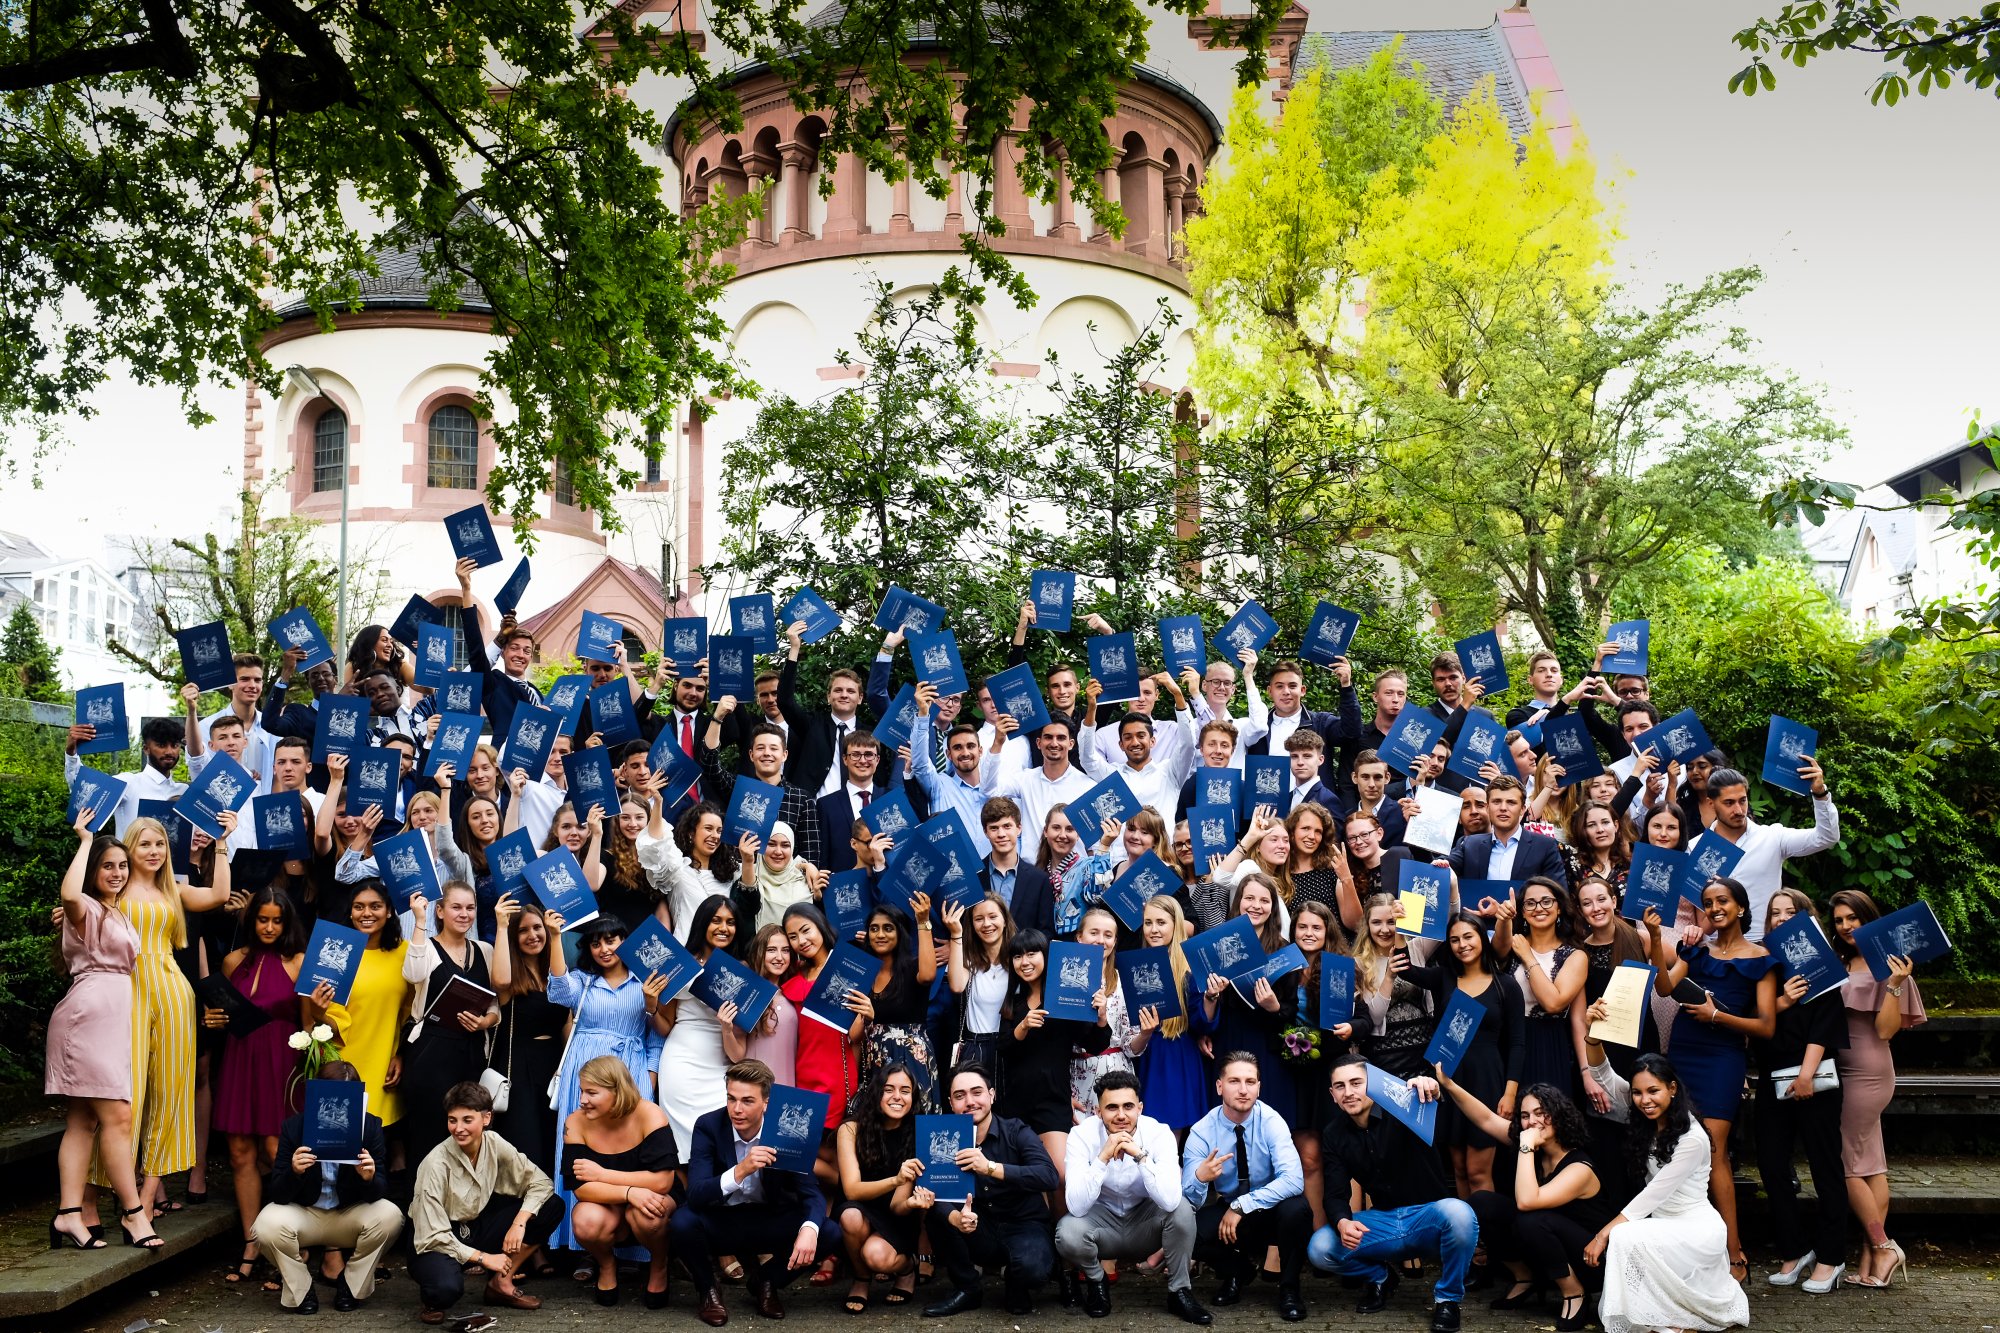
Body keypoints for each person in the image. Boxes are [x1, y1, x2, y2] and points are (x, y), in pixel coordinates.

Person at [96, 815, 233, 1216]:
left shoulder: (175, 888)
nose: (154, 851)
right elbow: (81, 911)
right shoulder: (114, 889)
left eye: (159, 844)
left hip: (174, 991)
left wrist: (222, 843)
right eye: (145, 844)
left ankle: (148, 1192)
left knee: (171, 1091)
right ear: (129, 848)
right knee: (129, 1092)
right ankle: (124, 1187)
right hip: (128, 991)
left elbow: (220, 895)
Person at [1650, 874, 1777, 1278]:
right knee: (1677, 1144)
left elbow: (1766, 1026)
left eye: (1722, 900)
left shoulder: (1761, 958)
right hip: (1683, 1051)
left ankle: (1733, 1252)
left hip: (1723, 1057)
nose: (1715, 908)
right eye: (1708, 902)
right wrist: (1656, 938)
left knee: (1714, 1149)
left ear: (1741, 907)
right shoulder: (1697, 951)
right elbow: (1665, 987)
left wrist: (1716, 1015)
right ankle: (1686, 1247)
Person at [46, 813, 158, 1252]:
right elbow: (69, 894)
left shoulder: (114, 910)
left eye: (122, 866)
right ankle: (133, 1213)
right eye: (107, 865)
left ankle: (68, 1214)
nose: (117, 873)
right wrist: (84, 840)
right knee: (118, 1117)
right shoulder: (84, 907)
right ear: (92, 869)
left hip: (109, 1020)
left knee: (83, 1119)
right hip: (87, 1019)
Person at [1584, 1055, 1750, 1333]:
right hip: (1664, 1223)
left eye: (1653, 1091)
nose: (1644, 1100)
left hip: (1697, 1229)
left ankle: (1669, 1318)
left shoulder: (1693, 1138)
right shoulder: (1647, 1115)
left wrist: (1603, 1235)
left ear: (1672, 1088)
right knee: (1628, 1235)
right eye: (1637, 1093)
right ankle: (1656, 1315)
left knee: (1623, 1235)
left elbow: (1654, 1194)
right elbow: (1602, 1075)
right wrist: (1593, 1040)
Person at [1311, 1055, 1475, 1333]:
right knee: (1320, 1247)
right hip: (1384, 1223)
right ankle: (1381, 1278)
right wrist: (1343, 1221)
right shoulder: (1333, 1133)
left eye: (1356, 1083)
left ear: (1372, 1083)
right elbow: (1335, 1192)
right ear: (1332, 1094)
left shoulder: (1403, 1107)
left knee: (1460, 1213)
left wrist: (1432, 1089)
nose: (1348, 1092)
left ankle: (1448, 1300)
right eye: (1340, 1086)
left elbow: (1435, 1106)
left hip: (1428, 1220)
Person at [673, 1059, 837, 1326]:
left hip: (769, 1219)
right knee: (681, 1222)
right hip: (722, 1220)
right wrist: (740, 1171)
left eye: (747, 1101)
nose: (736, 1109)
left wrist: (809, 1229)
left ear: (766, 1103)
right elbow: (696, 1194)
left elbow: (811, 1192)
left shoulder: (787, 1129)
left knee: (828, 1231)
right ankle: (708, 1290)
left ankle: (766, 1281)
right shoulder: (708, 1126)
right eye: (731, 1099)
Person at [546, 912, 668, 1255]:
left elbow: (657, 1038)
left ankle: (632, 1248)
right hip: (583, 1074)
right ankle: (584, 1245)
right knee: (581, 1148)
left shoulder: (645, 982)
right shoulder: (583, 981)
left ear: (625, 942)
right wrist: (555, 937)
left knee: (631, 1149)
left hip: (631, 1073)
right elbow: (558, 990)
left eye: (611, 940)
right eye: (596, 943)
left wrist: (648, 1079)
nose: (604, 948)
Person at [203, 886, 308, 1284]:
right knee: (239, 1153)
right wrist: (212, 1020)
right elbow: (222, 1015)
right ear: (252, 920)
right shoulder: (233, 960)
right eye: (262, 919)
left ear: (287, 923)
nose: (269, 927)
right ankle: (251, 1242)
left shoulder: (299, 962)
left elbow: (310, 1024)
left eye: (277, 921)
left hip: (282, 1061)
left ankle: (290, 1244)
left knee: (277, 1151)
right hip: (240, 1059)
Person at [1059, 1068, 1212, 1324]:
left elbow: (1170, 1200)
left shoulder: (1159, 1133)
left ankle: (1180, 1292)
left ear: (1140, 1108)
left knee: (1182, 1211)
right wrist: (1102, 1157)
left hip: (1146, 1222)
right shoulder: (1081, 1135)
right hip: (1102, 1223)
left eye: (1128, 1106)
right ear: (1098, 1111)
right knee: (1067, 1232)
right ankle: (1097, 1282)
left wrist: (1140, 1156)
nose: (1121, 1115)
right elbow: (1076, 1207)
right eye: (1112, 1107)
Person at [1754, 889, 1851, 1294]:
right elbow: (1753, 1018)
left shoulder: (1820, 960)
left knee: (1825, 1167)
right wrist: (1783, 1000)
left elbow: (1825, 1022)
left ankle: (1831, 1256)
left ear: (1805, 916)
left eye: (1789, 912)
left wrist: (1807, 1075)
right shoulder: (1763, 962)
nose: (1780, 919)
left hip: (1814, 1077)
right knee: (1771, 1164)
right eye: (1774, 913)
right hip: (1771, 1076)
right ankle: (1794, 1250)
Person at [251, 1060, 403, 1314]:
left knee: (390, 1215)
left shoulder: (370, 1127)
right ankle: (300, 1289)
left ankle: (351, 1286)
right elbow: (277, 1193)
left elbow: (379, 1192)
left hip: (347, 1215)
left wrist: (368, 1177)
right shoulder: (294, 1127)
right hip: (306, 1214)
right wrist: (294, 1172)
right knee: (266, 1225)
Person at [1829, 889, 1922, 1289]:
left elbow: (1885, 1031)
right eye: (1839, 920)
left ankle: (1884, 1246)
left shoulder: (1892, 966)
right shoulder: (1838, 961)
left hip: (1868, 1071)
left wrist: (1896, 983)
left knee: (1845, 1164)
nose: (1846, 926)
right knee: (1870, 1163)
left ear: (1869, 919)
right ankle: (1871, 1261)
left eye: (1853, 918)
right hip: (1839, 1068)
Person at [409, 1080, 562, 1322]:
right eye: (452, 1120)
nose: (458, 1128)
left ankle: (501, 1283)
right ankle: (433, 1296)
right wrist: (484, 1258)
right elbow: (433, 1235)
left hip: (474, 1228)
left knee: (551, 1206)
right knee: (445, 1289)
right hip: (434, 1239)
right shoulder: (435, 1164)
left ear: (486, 1118)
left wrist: (519, 1223)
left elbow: (540, 1183)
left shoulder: (493, 1143)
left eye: (467, 1120)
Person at [916, 1062, 1061, 1317]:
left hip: (1023, 1225)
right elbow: (933, 1192)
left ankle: (1016, 1283)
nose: (970, 1102)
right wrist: (955, 1217)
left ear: (991, 1095)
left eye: (977, 1092)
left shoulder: (1016, 1131)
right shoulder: (941, 1137)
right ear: (951, 1103)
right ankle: (968, 1289)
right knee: (936, 1216)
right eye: (960, 1096)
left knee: (1034, 1270)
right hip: (977, 1228)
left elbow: (1049, 1176)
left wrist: (990, 1167)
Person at [1181, 1052, 1312, 1320]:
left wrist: (1242, 1205)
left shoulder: (1272, 1121)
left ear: (1259, 1087)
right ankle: (1237, 1272)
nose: (1243, 1090)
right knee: (1186, 1230)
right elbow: (1188, 1200)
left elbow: (1293, 1180)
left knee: (1297, 1210)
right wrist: (1200, 1178)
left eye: (1250, 1082)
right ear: (1219, 1086)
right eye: (1234, 1081)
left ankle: (1289, 1289)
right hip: (1230, 1210)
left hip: (1270, 1209)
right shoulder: (1202, 1132)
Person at [399, 881, 501, 1167]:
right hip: (431, 1051)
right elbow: (413, 974)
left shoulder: (484, 950)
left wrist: (484, 1022)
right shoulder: (427, 947)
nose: (464, 914)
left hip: (471, 1052)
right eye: (456, 907)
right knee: (429, 1132)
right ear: (440, 911)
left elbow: (495, 1005)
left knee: (469, 1136)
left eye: (470, 908)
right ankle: (423, 1194)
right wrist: (420, 921)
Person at [564, 1055, 679, 1307]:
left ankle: (659, 1264)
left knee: (649, 1214)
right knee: (585, 1221)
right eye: (582, 1091)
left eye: (592, 1092)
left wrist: (602, 1175)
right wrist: (630, 1192)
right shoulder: (575, 1122)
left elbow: (663, 1181)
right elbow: (581, 1188)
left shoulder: (649, 1113)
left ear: (617, 1091)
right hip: (609, 1203)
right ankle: (606, 1264)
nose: (583, 1100)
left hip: (654, 1198)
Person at [1433, 911, 1524, 1199]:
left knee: (1478, 1172)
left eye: (1468, 936)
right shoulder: (1446, 978)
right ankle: (1468, 1228)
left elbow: (1518, 1043)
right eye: (1454, 940)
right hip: (1450, 1080)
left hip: (1486, 1080)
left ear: (1482, 938)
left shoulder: (1505, 984)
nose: (1462, 945)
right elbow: (1406, 968)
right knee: (1459, 1170)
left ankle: (1487, 1227)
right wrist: (1400, 927)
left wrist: (1510, 1094)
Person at [1700, 762, 1839, 938]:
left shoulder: (1772, 837)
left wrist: (1820, 793)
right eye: (1729, 803)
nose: (1739, 810)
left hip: (1767, 945)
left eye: (1742, 800)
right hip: (1715, 948)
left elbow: (1826, 837)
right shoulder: (1696, 847)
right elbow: (1694, 916)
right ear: (1711, 804)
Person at [835, 1062, 927, 1311]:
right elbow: (852, 1190)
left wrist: (911, 1200)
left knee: (876, 1256)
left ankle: (907, 1268)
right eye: (889, 1089)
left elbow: (897, 1206)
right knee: (850, 1216)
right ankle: (861, 1278)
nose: (897, 1097)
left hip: (897, 1217)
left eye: (905, 1091)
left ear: (913, 1098)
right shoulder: (850, 1129)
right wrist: (896, 1179)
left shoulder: (919, 1133)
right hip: (859, 1211)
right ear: (877, 1093)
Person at [487, 895, 567, 1175]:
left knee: (552, 1141)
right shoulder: (511, 974)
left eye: (537, 928)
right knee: (525, 1144)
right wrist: (501, 925)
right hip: (519, 1067)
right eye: (523, 930)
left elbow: (567, 1023)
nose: (532, 935)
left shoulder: (554, 973)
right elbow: (500, 981)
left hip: (553, 1066)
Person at [659, 894, 742, 1153]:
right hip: (680, 1061)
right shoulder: (679, 964)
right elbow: (665, 1025)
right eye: (716, 920)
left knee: (720, 1140)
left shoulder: (742, 968)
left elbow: (740, 1050)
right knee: (680, 1143)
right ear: (703, 922)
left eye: (730, 922)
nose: (723, 928)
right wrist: (651, 1004)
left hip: (721, 1064)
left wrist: (727, 1027)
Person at [984, 712, 1110, 862]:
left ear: (1071, 744)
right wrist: (998, 743)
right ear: (1038, 743)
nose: (1054, 743)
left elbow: (1095, 843)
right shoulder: (1025, 779)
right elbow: (990, 790)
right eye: (1048, 737)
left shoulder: (1088, 786)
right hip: (1032, 869)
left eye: (1061, 738)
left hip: (1074, 871)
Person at [854, 898, 940, 1109]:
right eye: (874, 929)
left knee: (915, 1119)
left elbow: (928, 975)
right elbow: (854, 1034)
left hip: (910, 1059)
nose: (880, 934)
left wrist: (923, 921)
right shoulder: (863, 975)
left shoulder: (912, 967)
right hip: (874, 1060)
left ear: (900, 933)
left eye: (888, 928)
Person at [1134, 893, 1209, 1130]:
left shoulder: (1189, 968)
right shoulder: (1135, 965)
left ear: (1176, 925)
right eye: (1148, 923)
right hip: (1143, 1053)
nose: (1153, 929)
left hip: (1174, 1055)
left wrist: (1211, 997)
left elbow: (1200, 1022)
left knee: (1169, 1133)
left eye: (1161, 922)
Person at [1447, 775, 1567, 888]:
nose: (1503, 808)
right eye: (1497, 802)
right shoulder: (1469, 845)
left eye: (1511, 802)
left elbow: (1559, 894)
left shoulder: (1545, 846)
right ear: (1487, 808)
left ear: (1522, 809)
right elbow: (1443, 869)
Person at [943, 893, 1015, 1077]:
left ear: (1005, 920)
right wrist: (956, 934)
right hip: (975, 1047)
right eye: (979, 919)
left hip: (1011, 1045)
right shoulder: (968, 959)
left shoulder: (1019, 960)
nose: (986, 924)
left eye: (993, 916)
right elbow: (957, 986)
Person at [721, 922, 801, 1081]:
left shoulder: (796, 990)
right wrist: (726, 1030)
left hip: (789, 1085)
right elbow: (737, 1056)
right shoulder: (747, 994)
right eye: (771, 950)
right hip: (755, 1084)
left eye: (785, 950)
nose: (779, 957)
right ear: (759, 952)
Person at [980, 796, 1057, 936]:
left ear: (1019, 828)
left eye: (1007, 826)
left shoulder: (1039, 880)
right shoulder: (974, 876)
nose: (1001, 834)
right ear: (986, 832)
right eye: (994, 828)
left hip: (1025, 950)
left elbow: (1046, 933)